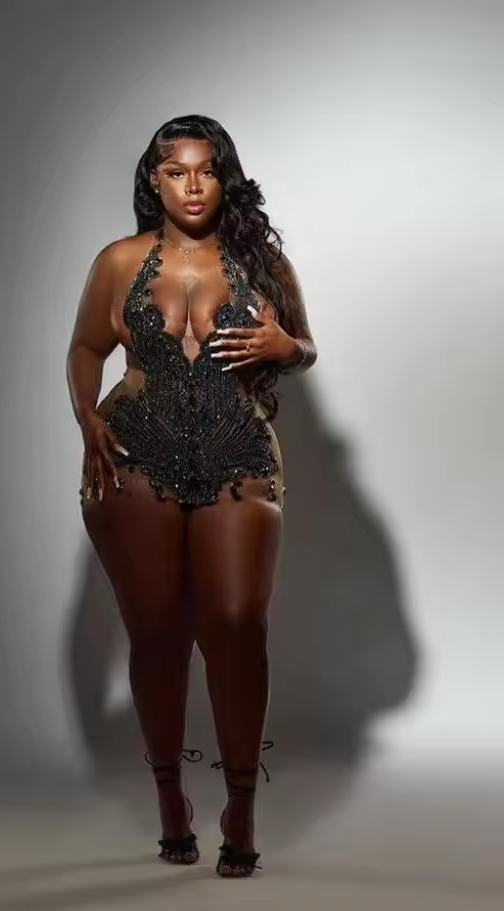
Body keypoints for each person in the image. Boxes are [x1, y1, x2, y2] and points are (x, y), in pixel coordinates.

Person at [66, 114, 317, 878]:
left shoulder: (261, 261)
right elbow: (86, 347)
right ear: (155, 180)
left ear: (224, 176)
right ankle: (170, 796)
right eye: (177, 171)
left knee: (236, 619)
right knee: (157, 632)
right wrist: (86, 419)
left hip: (236, 445)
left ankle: (241, 802)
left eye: (206, 170)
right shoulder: (119, 261)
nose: (194, 185)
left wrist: (286, 347)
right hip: (135, 449)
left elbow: (305, 346)